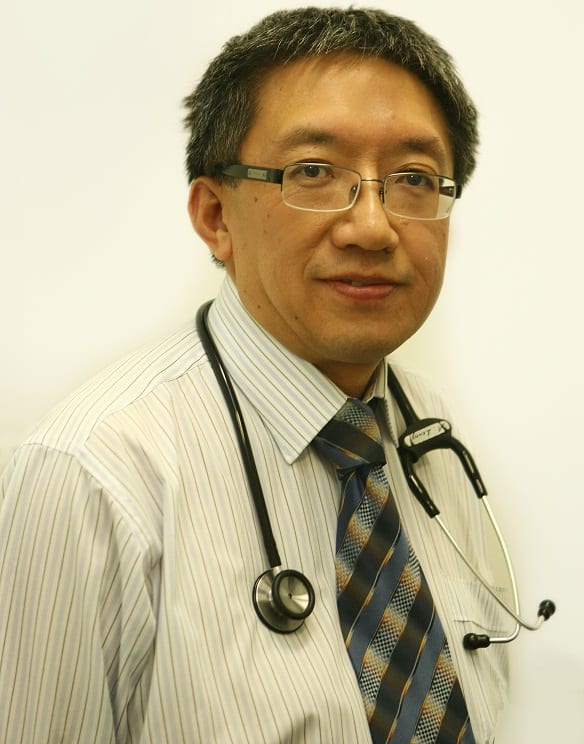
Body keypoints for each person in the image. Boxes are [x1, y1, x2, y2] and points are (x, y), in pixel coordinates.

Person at [0, 7, 510, 743]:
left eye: (413, 179)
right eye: (314, 172)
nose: (372, 226)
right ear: (215, 215)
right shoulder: (93, 475)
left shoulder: (430, 437)